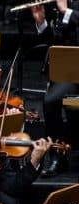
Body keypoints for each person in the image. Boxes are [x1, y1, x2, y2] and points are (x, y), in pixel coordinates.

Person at [30, 0, 78, 176]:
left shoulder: (65, 7)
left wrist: (66, 11)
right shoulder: (58, 8)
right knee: (51, 100)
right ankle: (58, 156)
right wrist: (41, 22)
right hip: (71, 73)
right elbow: (54, 45)